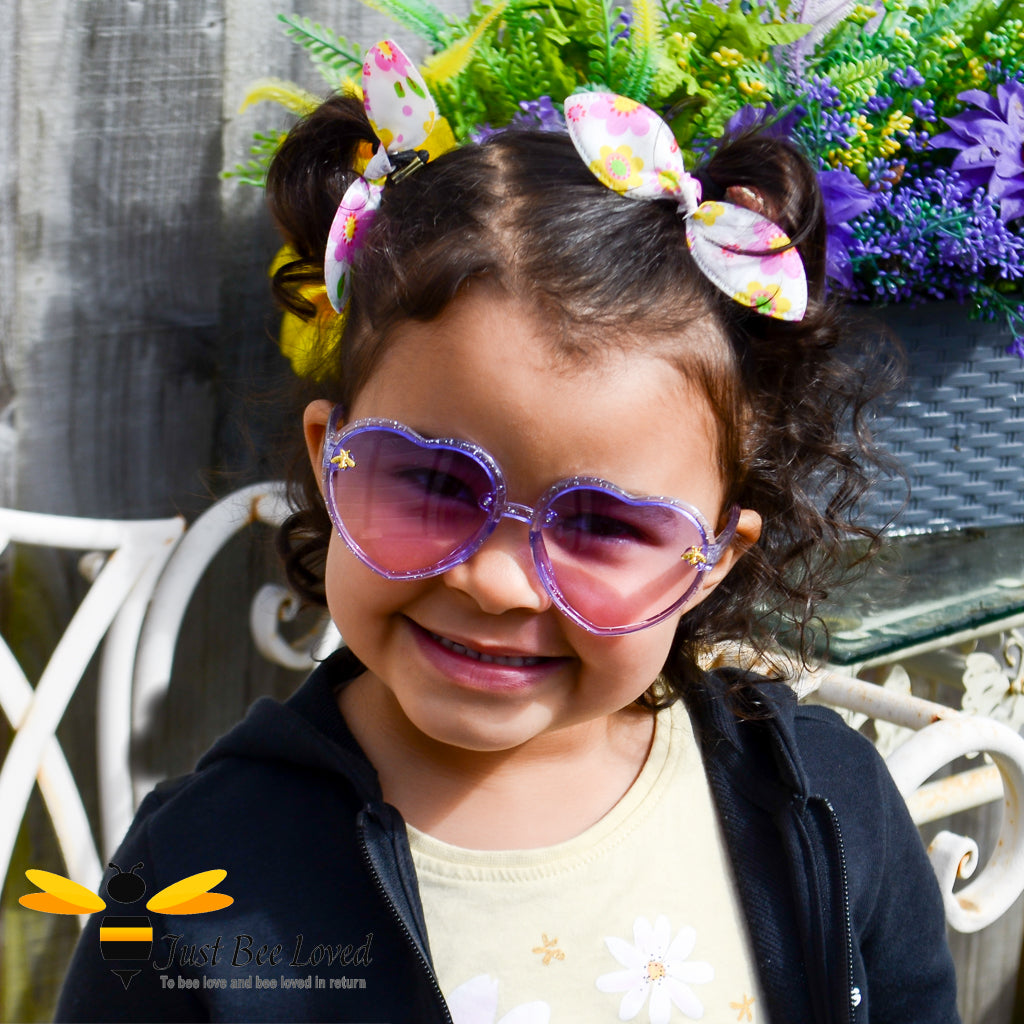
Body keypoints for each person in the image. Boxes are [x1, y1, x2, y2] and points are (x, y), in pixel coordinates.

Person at [54, 40, 959, 1024]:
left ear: (709, 561)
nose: (497, 581)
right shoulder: (202, 872)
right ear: (330, 456)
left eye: (606, 526)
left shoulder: (830, 810)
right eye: (435, 482)